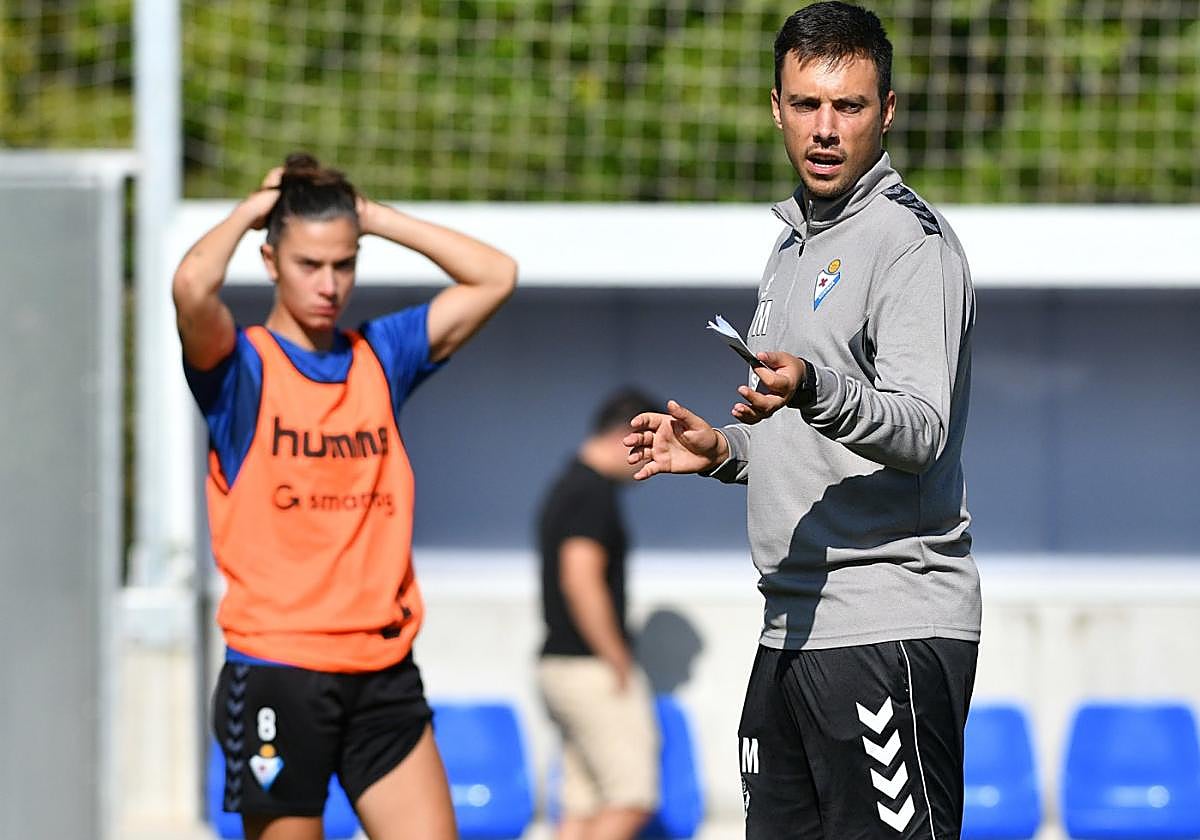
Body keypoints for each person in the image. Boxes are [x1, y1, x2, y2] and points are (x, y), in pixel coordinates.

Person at [625, 4, 979, 838]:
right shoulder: (791, 245)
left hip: (886, 622)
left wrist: (816, 386)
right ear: (775, 106)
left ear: (886, 112)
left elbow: (922, 429)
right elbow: (809, 435)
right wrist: (722, 449)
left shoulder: (909, 243)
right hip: (788, 628)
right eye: (807, 104)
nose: (826, 129)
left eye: (849, 107)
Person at [174, 153, 516, 840]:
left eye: (344, 264)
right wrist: (252, 209)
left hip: (382, 672)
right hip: (279, 672)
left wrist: (373, 217)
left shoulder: (381, 355)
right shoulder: (241, 368)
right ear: (270, 261)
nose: (329, 284)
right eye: (308, 265)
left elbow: (495, 275)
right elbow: (190, 285)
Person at [537, 389, 662, 840]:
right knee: (632, 800)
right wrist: (617, 659)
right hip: (590, 669)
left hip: (561, 666)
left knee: (583, 807)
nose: (655, 462)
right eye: (649, 445)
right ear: (625, 436)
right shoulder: (590, 493)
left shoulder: (569, 485)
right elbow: (580, 580)